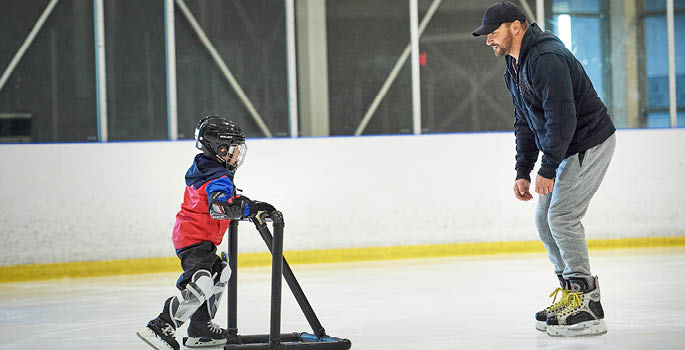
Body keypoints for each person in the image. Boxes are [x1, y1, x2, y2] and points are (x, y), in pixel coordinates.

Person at [472, 2, 616, 337]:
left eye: (493, 33)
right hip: (565, 146)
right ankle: (571, 294)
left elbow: (562, 119)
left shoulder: (546, 59)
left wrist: (547, 168)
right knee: (544, 218)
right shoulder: (515, 65)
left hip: (588, 142)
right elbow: (525, 121)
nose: (489, 40)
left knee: (561, 216)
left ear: (515, 27)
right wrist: (523, 170)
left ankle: (588, 305)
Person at [137, 116, 274, 350]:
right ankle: (160, 326)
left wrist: (251, 204)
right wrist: (249, 209)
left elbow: (226, 200)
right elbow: (220, 206)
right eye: (231, 150)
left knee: (221, 272)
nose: (236, 155)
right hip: (193, 239)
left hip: (202, 237)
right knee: (201, 282)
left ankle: (200, 327)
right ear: (217, 148)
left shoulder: (211, 169)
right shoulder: (216, 176)